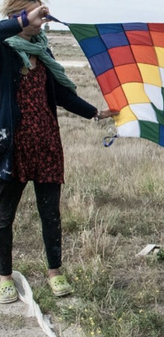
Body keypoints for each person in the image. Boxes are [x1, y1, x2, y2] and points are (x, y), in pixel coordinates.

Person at [0, 0, 118, 304]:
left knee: (50, 214)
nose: (42, 20)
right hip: (13, 148)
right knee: (3, 217)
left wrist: (96, 112)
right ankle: (4, 277)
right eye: (35, 14)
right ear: (17, 15)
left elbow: (63, 94)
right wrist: (25, 17)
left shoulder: (42, 50)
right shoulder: (3, 48)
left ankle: (55, 272)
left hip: (47, 144)